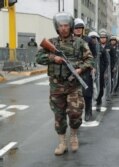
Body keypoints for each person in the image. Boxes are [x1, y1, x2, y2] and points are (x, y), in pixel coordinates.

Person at [36, 12, 94, 155]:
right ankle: (62, 143)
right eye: (61, 26)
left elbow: (90, 59)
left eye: (66, 25)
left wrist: (80, 69)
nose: (63, 28)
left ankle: (73, 136)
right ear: (57, 27)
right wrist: (53, 58)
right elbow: (38, 57)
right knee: (59, 115)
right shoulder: (52, 43)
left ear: (71, 26)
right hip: (56, 86)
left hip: (74, 85)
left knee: (75, 113)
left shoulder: (80, 43)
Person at [73, 18, 96, 121]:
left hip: (86, 69)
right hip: (73, 69)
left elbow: (94, 55)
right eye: (76, 28)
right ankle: (76, 115)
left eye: (80, 28)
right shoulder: (70, 40)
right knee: (74, 94)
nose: (78, 30)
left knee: (87, 93)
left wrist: (93, 67)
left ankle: (88, 112)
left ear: (83, 29)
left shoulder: (89, 40)